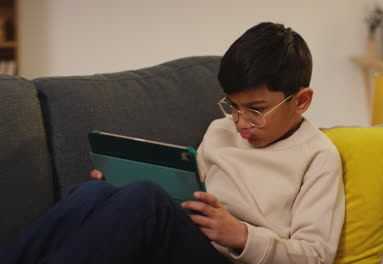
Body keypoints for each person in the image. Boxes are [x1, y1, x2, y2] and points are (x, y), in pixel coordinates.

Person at [0, 22, 345, 264]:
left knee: (145, 200)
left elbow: (314, 255)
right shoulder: (221, 131)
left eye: (256, 110)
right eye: (233, 107)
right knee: (94, 193)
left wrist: (240, 235)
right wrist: (120, 187)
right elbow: (189, 193)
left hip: (234, 257)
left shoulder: (318, 158)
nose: (239, 122)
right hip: (189, 241)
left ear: (301, 101)